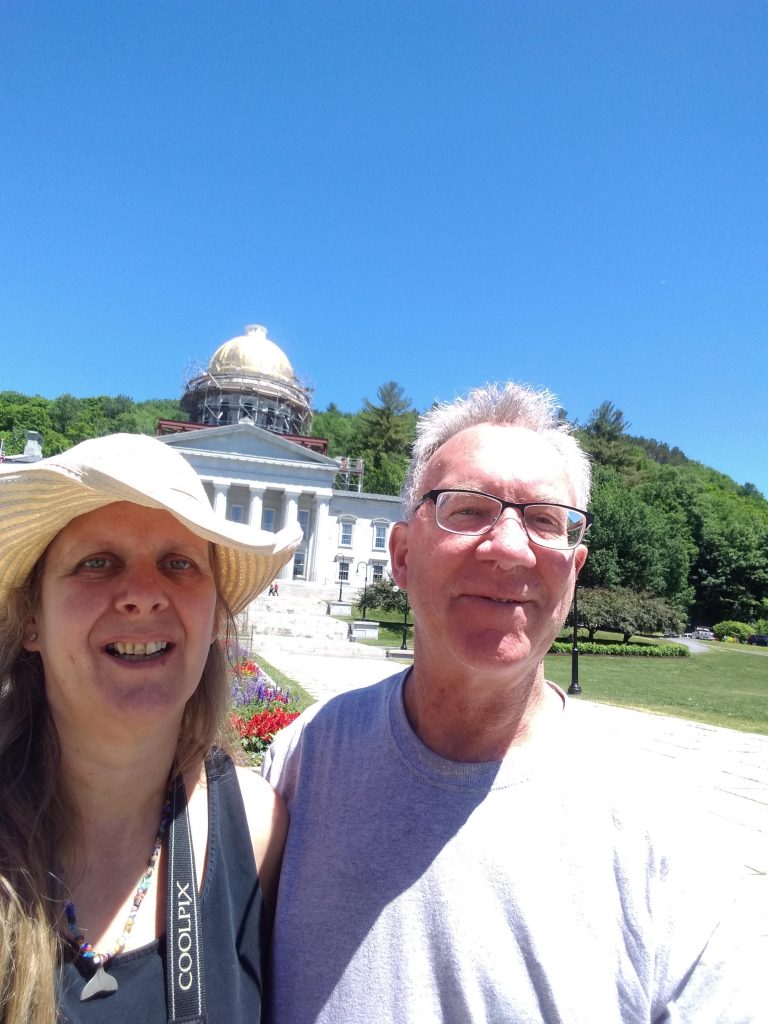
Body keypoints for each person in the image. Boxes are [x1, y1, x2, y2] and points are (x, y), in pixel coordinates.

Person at [262, 382, 757, 1023]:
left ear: (573, 569)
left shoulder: (663, 835)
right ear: (402, 556)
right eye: (467, 510)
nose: (510, 547)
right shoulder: (302, 761)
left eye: (545, 521)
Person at [0, 432, 302, 1024]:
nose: (142, 595)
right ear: (31, 618)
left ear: (215, 617)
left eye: (178, 564)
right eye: (97, 563)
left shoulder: (257, 828)